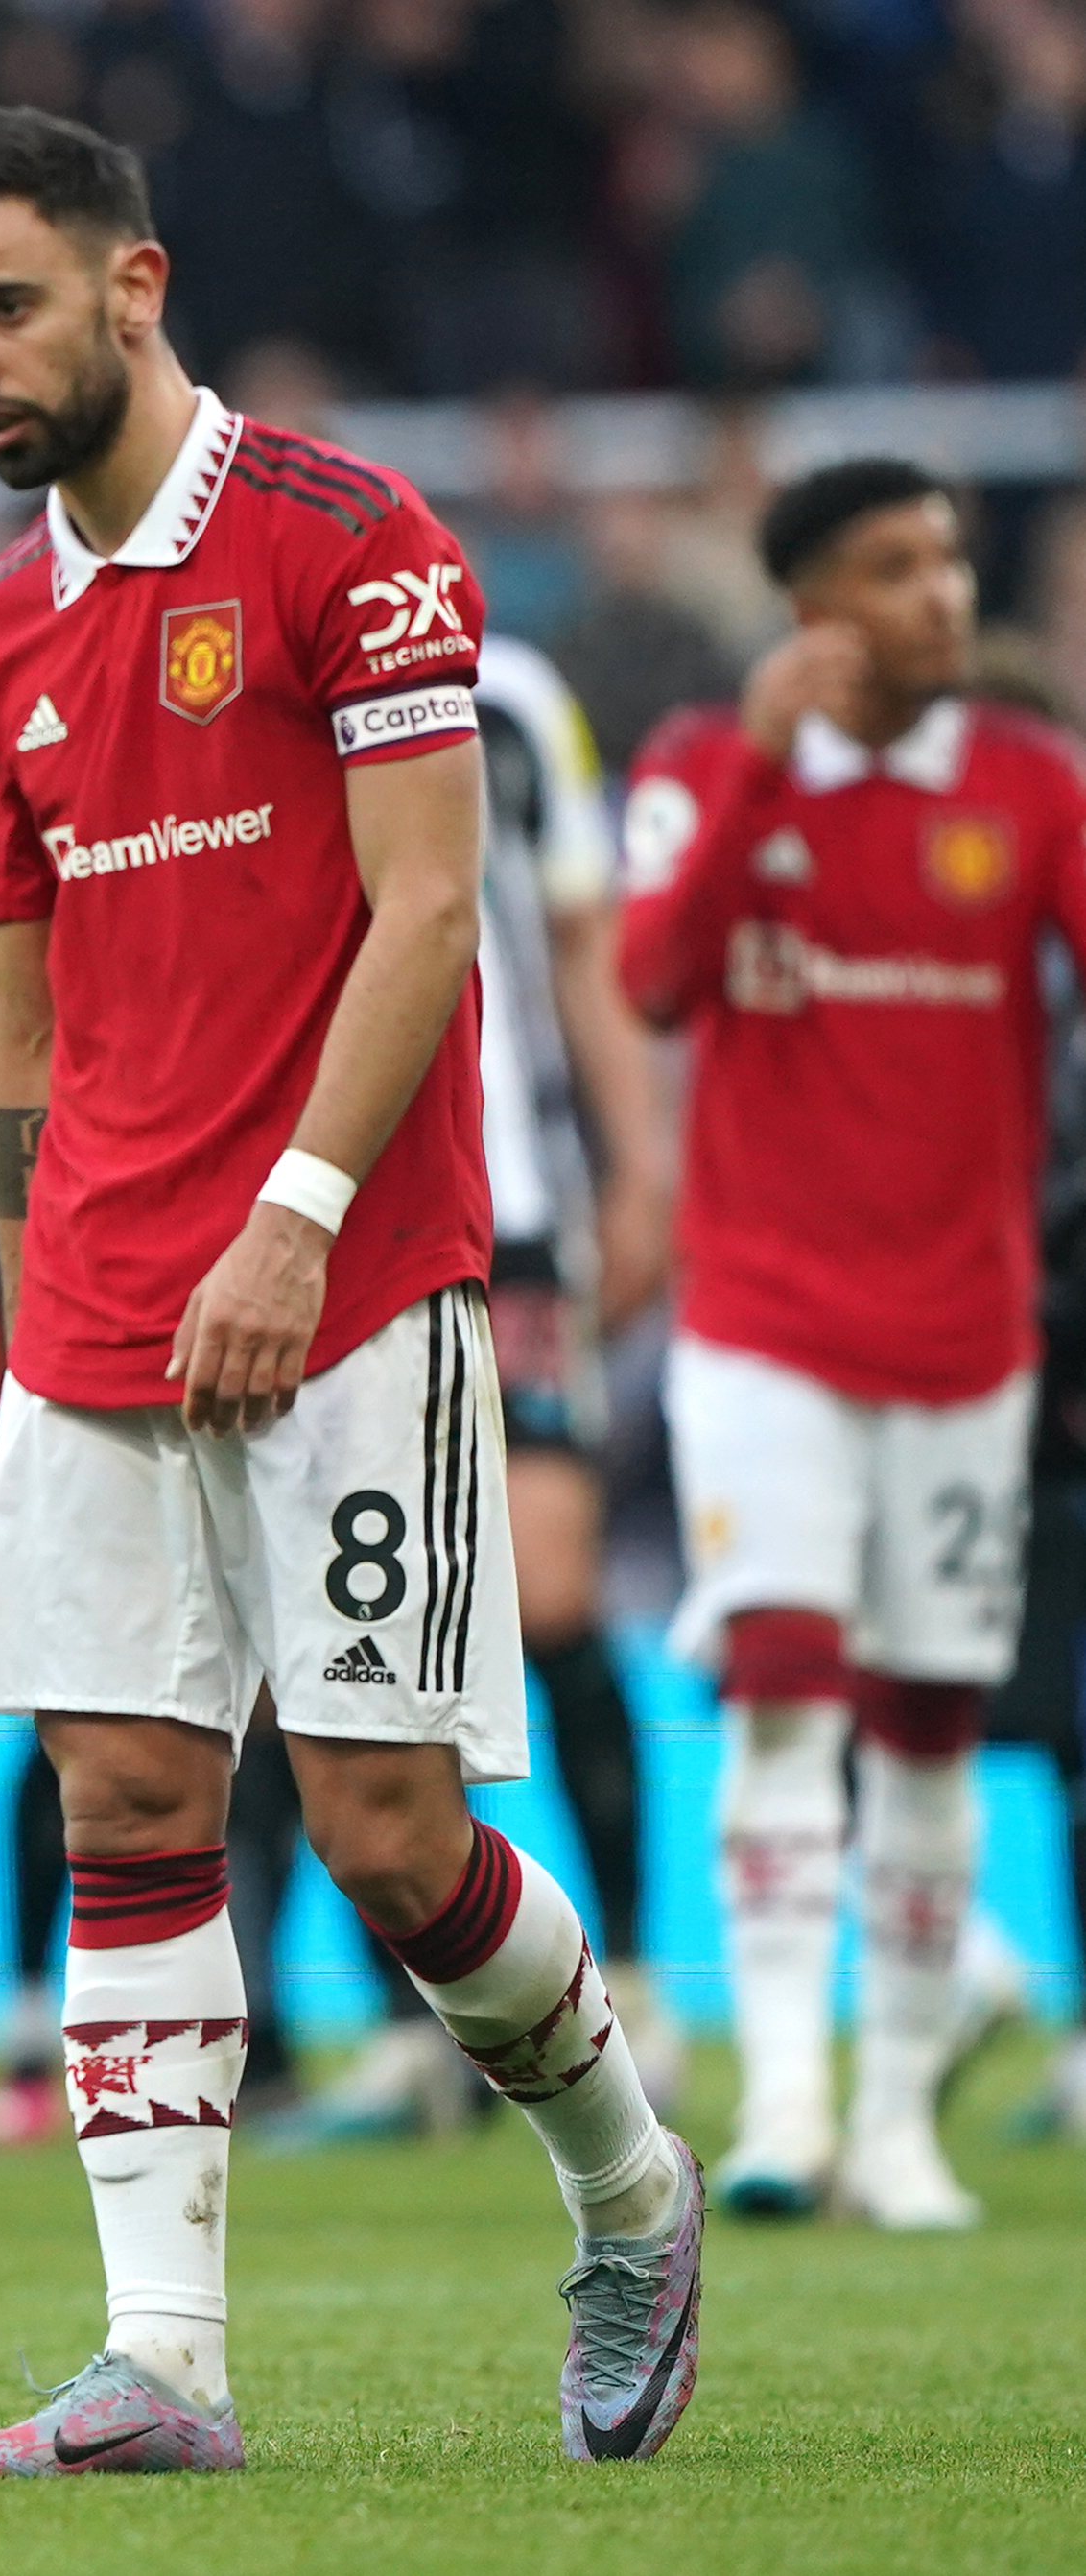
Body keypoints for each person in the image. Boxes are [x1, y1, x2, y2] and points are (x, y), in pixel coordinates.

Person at [0, 106, 701, 2474]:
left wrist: (297, 1214)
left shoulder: (354, 539)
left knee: (382, 1829)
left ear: (135, 286)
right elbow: (17, 1002)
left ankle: (630, 2189)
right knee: (129, 1789)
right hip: (99, 1302)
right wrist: (38, 1273)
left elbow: (428, 909)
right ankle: (163, 2361)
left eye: (4, 304)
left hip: (350, 1284)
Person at [617, 457, 1086, 2231]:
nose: (942, 594)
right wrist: (756, 760)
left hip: (966, 1334)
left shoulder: (1028, 782)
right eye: (896, 568)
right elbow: (652, 978)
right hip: (763, 1326)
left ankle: (896, 2120)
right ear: (813, 608)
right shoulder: (699, 766)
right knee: (783, 1682)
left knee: (930, 1719)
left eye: (949, 561)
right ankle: (786, 2107)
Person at [266, 630, 683, 2145]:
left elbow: (575, 942)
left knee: (553, 1593)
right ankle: (409, 2023)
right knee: (339, 1622)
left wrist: (639, 1166)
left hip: (507, 1206)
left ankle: (635, 1980)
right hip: (300, 1213)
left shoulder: (505, 695)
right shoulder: (214, 683)